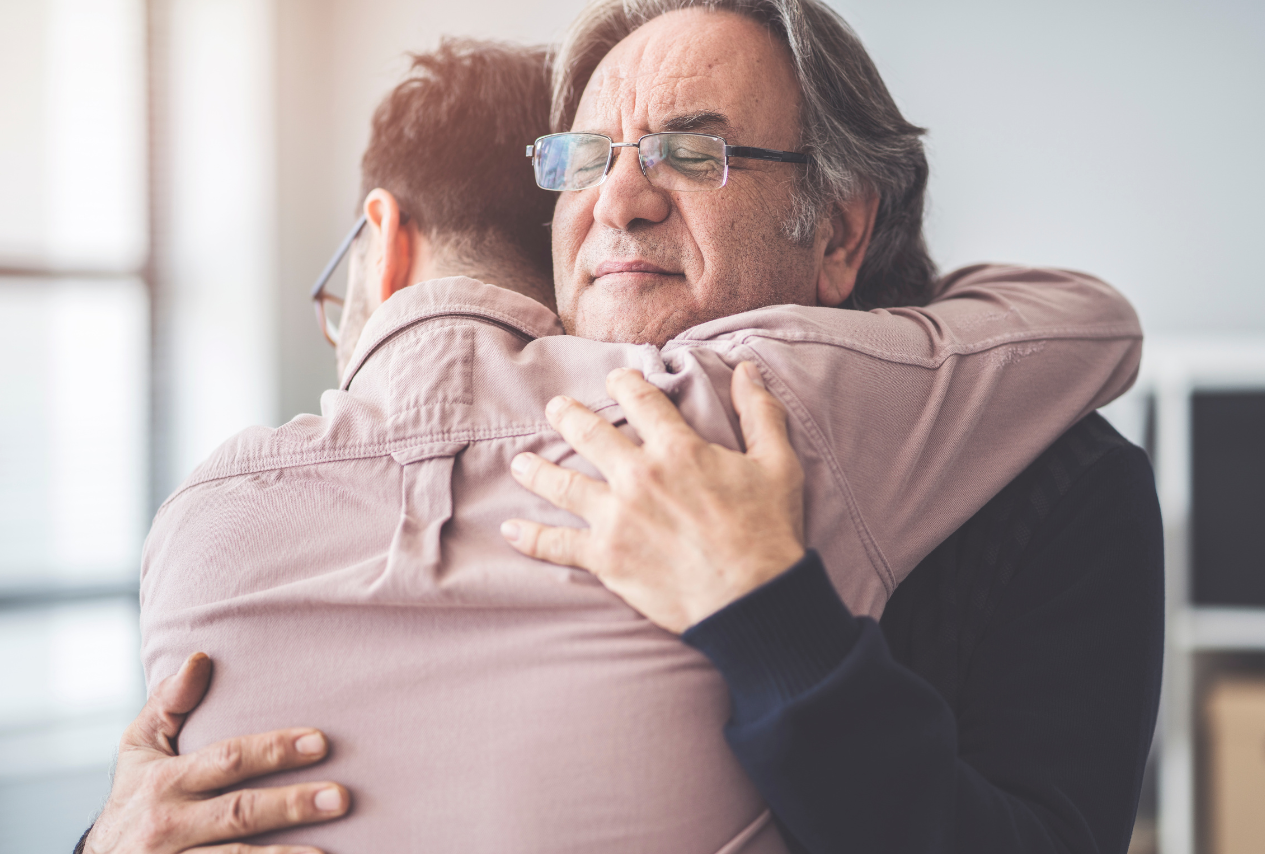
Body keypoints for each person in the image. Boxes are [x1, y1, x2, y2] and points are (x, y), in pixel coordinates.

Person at [83, 4, 1159, 852]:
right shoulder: (457, 466)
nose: (621, 199)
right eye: (586, 159)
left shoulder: (1055, 479)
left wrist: (769, 620)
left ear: (836, 229)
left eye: (692, 154)